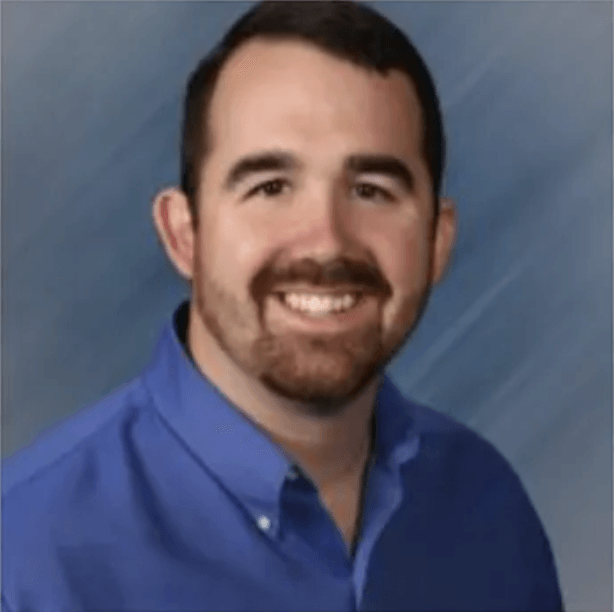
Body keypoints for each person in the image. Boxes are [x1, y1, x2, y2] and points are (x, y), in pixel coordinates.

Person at [2, 2, 563, 611]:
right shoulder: (23, 556)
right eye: (270, 187)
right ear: (183, 235)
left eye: (371, 190)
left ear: (437, 240)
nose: (326, 241)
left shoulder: (486, 504)